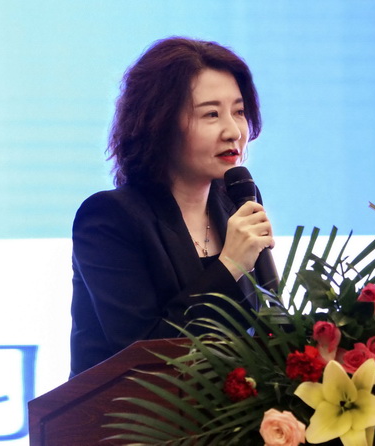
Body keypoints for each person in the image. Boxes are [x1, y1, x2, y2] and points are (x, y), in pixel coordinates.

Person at [70, 37, 274, 377]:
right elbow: (144, 354)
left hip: (229, 408)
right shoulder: (109, 219)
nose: (233, 131)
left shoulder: (235, 202)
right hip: (126, 409)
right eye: (211, 114)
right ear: (160, 123)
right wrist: (230, 265)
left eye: (239, 112)